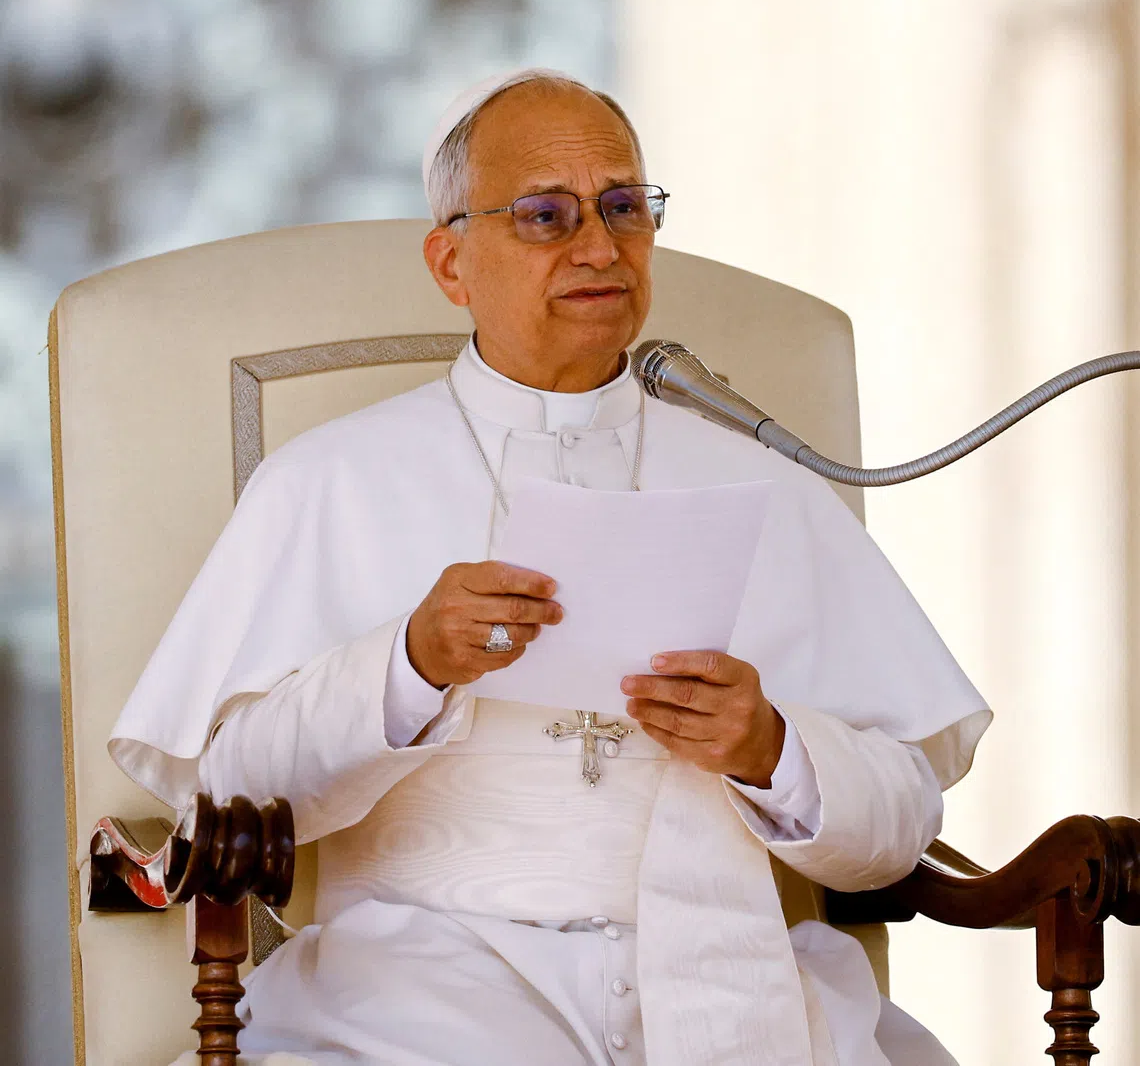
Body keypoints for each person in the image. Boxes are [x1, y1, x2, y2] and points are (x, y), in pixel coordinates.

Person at [113, 68, 991, 1065]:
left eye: (624, 207)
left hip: (731, 995)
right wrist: (407, 666)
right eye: (544, 215)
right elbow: (228, 797)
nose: (598, 247)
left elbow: (903, 820)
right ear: (451, 263)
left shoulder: (764, 485)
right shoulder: (330, 479)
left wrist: (771, 748)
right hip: (417, 1004)